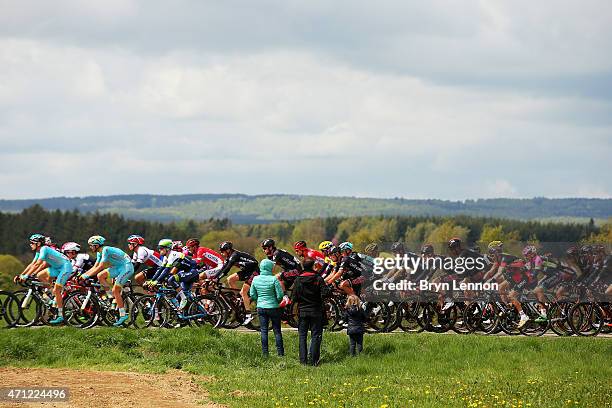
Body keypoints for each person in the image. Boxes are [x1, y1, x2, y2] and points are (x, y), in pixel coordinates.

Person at [16, 234, 73, 325]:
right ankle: (52, 297)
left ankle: (61, 316)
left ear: (38, 243)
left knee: (57, 290)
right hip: (56, 268)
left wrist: (26, 276)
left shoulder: (44, 249)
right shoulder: (38, 251)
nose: (30, 244)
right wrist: (21, 275)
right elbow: (32, 264)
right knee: (40, 275)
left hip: (65, 268)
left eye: (32, 243)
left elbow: (38, 264)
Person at [81, 235, 134, 327]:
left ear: (97, 245)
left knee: (116, 290)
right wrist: (83, 275)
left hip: (126, 267)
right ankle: (110, 296)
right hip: (117, 267)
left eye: (91, 245)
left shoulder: (105, 250)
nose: (90, 247)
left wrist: (86, 276)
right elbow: (95, 267)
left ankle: (122, 315)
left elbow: (101, 266)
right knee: (100, 276)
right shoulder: (99, 253)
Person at [291, 260, 328, 366]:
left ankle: (303, 361)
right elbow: (325, 292)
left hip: (302, 311)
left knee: (302, 336)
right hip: (316, 311)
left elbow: (294, 297)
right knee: (315, 335)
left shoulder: (298, 280)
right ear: (312, 266)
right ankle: (314, 361)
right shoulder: (318, 279)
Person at [215, 241, 260, 325]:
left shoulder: (235, 255)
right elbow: (223, 268)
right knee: (230, 279)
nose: (221, 253)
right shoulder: (230, 257)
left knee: (244, 292)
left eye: (222, 251)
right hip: (246, 272)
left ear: (228, 250)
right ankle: (239, 298)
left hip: (254, 272)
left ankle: (248, 314)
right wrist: (214, 278)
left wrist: (218, 278)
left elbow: (227, 269)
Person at [249, 259, 285, 357]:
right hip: (273, 307)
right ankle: (280, 354)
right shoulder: (274, 279)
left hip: (261, 307)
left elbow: (252, 294)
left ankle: (265, 354)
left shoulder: (255, 279)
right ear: (269, 268)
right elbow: (280, 294)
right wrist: (277, 302)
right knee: (277, 331)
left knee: (264, 331)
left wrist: (258, 301)